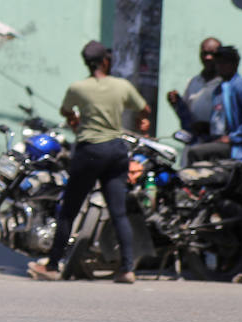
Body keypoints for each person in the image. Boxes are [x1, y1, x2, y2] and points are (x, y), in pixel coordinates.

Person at [29, 41, 151, 284]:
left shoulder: (78, 88)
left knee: (69, 212)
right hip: (116, 151)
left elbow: (66, 111)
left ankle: (53, 266)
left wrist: (75, 119)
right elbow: (144, 109)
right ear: (106, 61)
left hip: (89, 151)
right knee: (118, 212)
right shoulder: (122, 86)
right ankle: (127, 269)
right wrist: (142, 123)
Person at [189, 45, 242, 164]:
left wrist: (233, 137)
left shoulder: (240, 85)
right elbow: (220, 120)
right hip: (219, 141)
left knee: (195, 153)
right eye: (218, 63)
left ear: (235, 64)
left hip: (239, 148)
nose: (220, 67)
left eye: (224, 63)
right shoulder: (219, 88)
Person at [166, 36, 222, 140]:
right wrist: (177, 103)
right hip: (194, 140)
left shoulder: (225, 84)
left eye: (212, 54)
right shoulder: (193, 82)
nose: (208, 58)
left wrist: (208, 127)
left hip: (216, 143)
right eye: (204, 53)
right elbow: (186, 116)